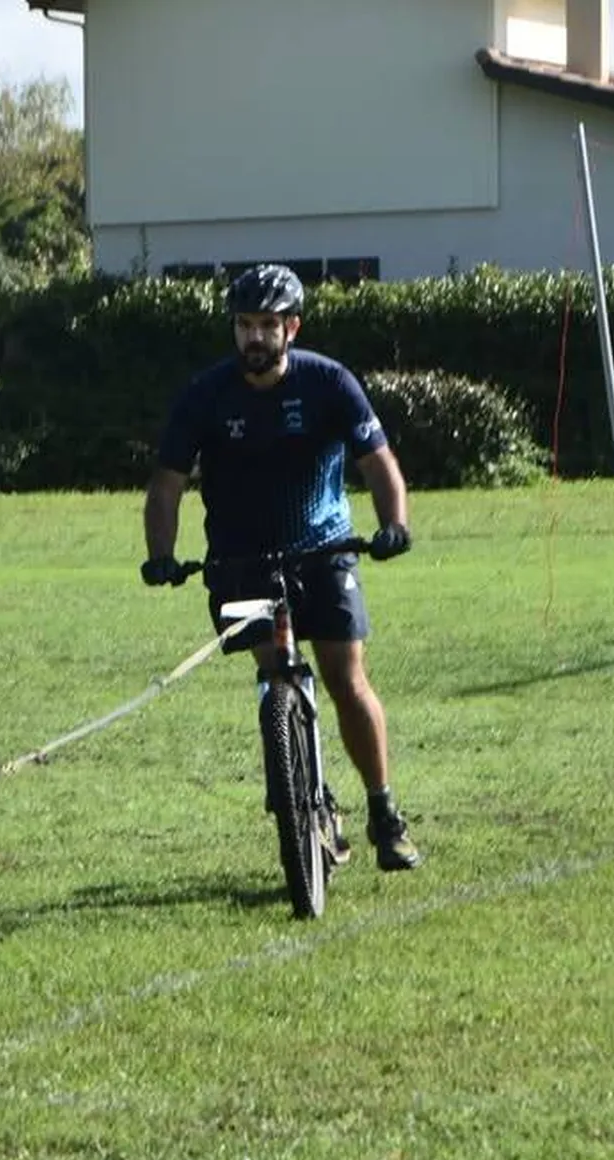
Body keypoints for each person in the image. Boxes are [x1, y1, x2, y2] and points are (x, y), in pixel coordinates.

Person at [139, 263, 422, 871]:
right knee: (274, 677)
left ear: (292, 328)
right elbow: (166, 486)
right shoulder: (205, 395)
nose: (255, 337)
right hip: (240, 559)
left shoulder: (329, 382)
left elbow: (377, 461)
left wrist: (393, 524)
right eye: (244, 325)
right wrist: (160, 555)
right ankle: (303, 801)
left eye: (268, 325)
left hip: (324, 548)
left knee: (346, 679)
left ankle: (384, 812)